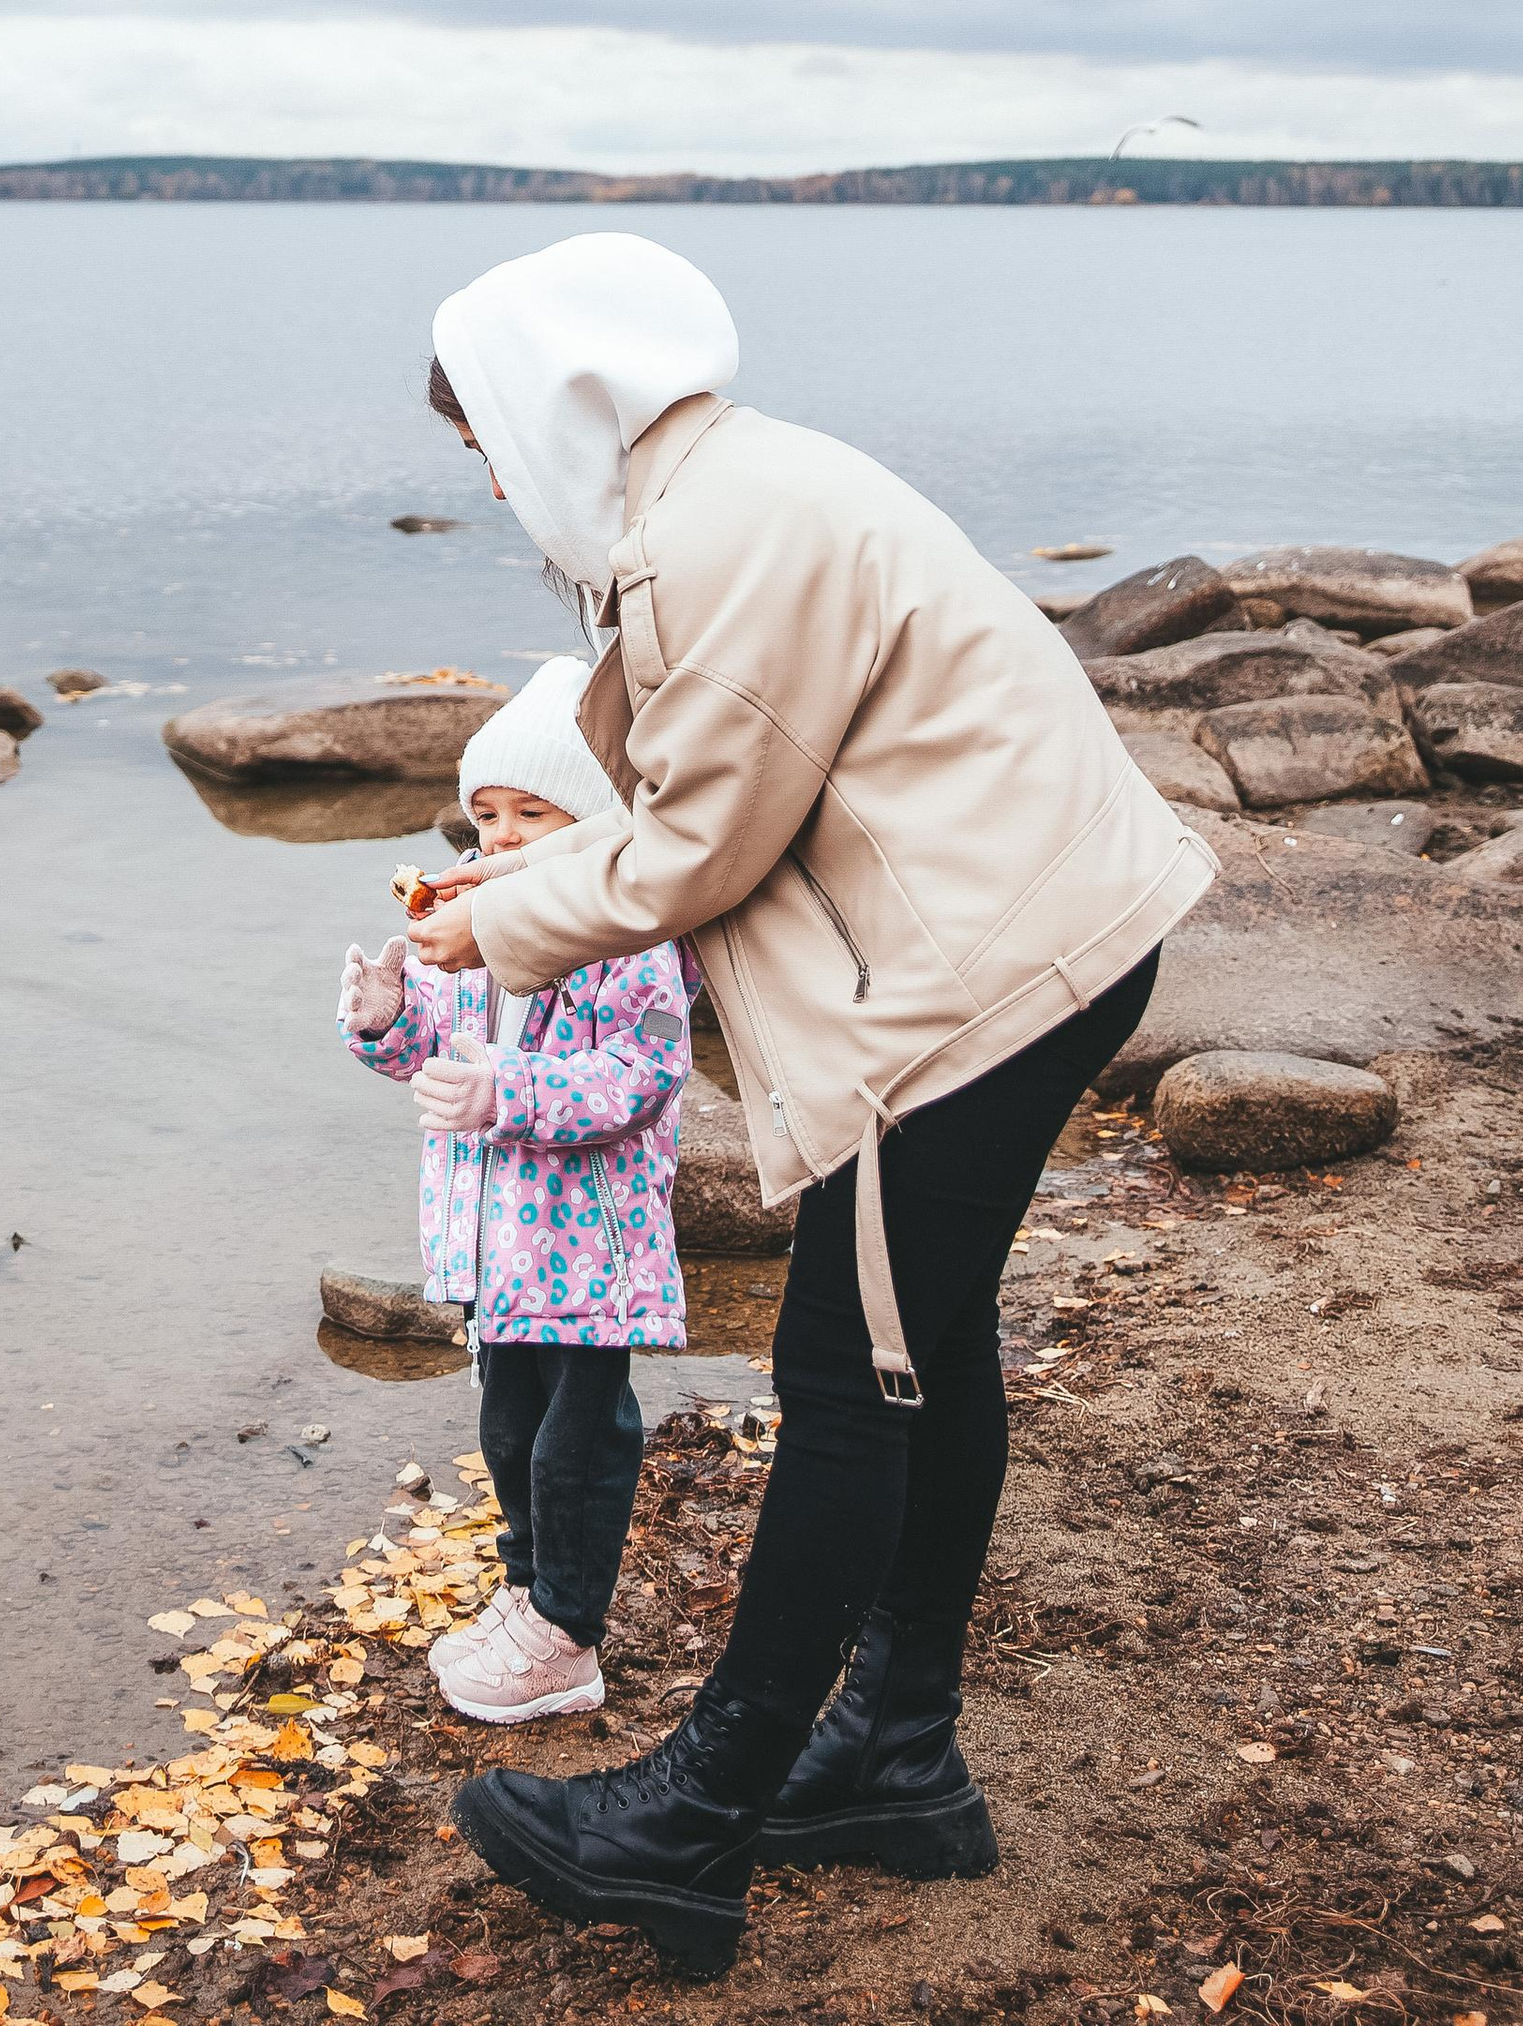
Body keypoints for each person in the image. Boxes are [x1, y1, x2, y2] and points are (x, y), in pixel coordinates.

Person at [404, 232, 1213, 1978]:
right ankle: (897, 1758)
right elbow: (721, 794)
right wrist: (513, 906)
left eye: (482, 439)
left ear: (555, 403)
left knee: (851, 1375)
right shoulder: (725, 494)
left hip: (991, 963)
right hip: (1021, 920)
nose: (486, 478)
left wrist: (500, 919)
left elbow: (707, 839)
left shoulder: (717, 530)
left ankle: (697, 1814)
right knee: (926, 1346)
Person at [338, 655, 691, 1724]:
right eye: (484, 813)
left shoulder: (627, 944)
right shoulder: (477, 944)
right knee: (506, 1433)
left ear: (591, 827)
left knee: (575, 1443)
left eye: (532, 813)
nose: (498, 836)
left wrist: (506, 1092)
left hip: (588, 1254)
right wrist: (385, 1012)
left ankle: (570, 1635)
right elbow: (428, 1060)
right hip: (495, 1256)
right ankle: (529, 1592)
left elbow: (640, 1076)